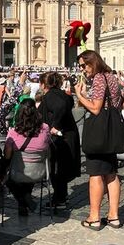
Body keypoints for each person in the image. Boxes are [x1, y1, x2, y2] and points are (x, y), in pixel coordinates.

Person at [75, 50, 124, 230]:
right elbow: (117, 102)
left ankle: (94, 217)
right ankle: (114, 216)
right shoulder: (111, 77)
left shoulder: (97, 79)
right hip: (111, 131)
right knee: (111, 173)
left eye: (83, 65)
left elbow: (95, 108)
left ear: (92, 62)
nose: (82, 69)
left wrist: (80, 95)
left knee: (95, 174)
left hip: (98, 132)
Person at [38, 71, 80, 208]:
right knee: (61, 168)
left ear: (44, 84)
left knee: (56, 168)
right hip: (68, 135)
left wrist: (54, 125)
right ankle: (62, 196)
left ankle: (60, 199)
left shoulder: (51, 95)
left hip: (60, 137)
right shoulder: (62, 94)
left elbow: (60, 107)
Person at [4, 99, 51, 216]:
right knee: (26, 174)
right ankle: (25, 200)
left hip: (18, 172)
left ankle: (23, 201)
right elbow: (48, 150)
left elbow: (7, 155)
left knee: (8, 178)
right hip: (39, 172)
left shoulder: (13, 133)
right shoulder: (45, 129)